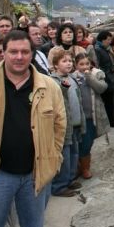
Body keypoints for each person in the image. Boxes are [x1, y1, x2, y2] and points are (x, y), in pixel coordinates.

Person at [0, 30, 66, 227]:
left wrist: (54, 157)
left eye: (24, 51)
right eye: (13, 52)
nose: (19, 57)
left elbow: (60, 125)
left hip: (36, 173)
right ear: (3, 53)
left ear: (32, 54)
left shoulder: (48, 86)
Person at [49, 50, 84, 197]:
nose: (68, 63)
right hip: (64, 127)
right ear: (55, 65)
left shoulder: (72, 78)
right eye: (64, 61)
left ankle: (70, 179)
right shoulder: (52, 81)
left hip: (75, 124)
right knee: (64, 156)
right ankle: (59, 186)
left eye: (70, 61)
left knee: (74, 154)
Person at [74, 53, 110, 179]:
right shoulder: (72, 77)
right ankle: (80, 167)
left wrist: (89, 77)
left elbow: (102, 88)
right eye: (81, 64)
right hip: (78, 118)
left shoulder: (96, 74)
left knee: (87, 143)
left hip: (92, 117)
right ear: (75, 65)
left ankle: (85, 168)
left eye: (87, 64)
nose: (84, 67)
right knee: (80, 143)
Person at [93, 30, 114, 127]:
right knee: (106, 101)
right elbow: (97, 64)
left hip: (109, 78)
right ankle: (109, 121)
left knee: (110, 101)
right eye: (108, 39)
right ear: (102, 40)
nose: (110, 41)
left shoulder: (106, 49)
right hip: (104, 78)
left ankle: (111, 120)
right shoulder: (98, 49)